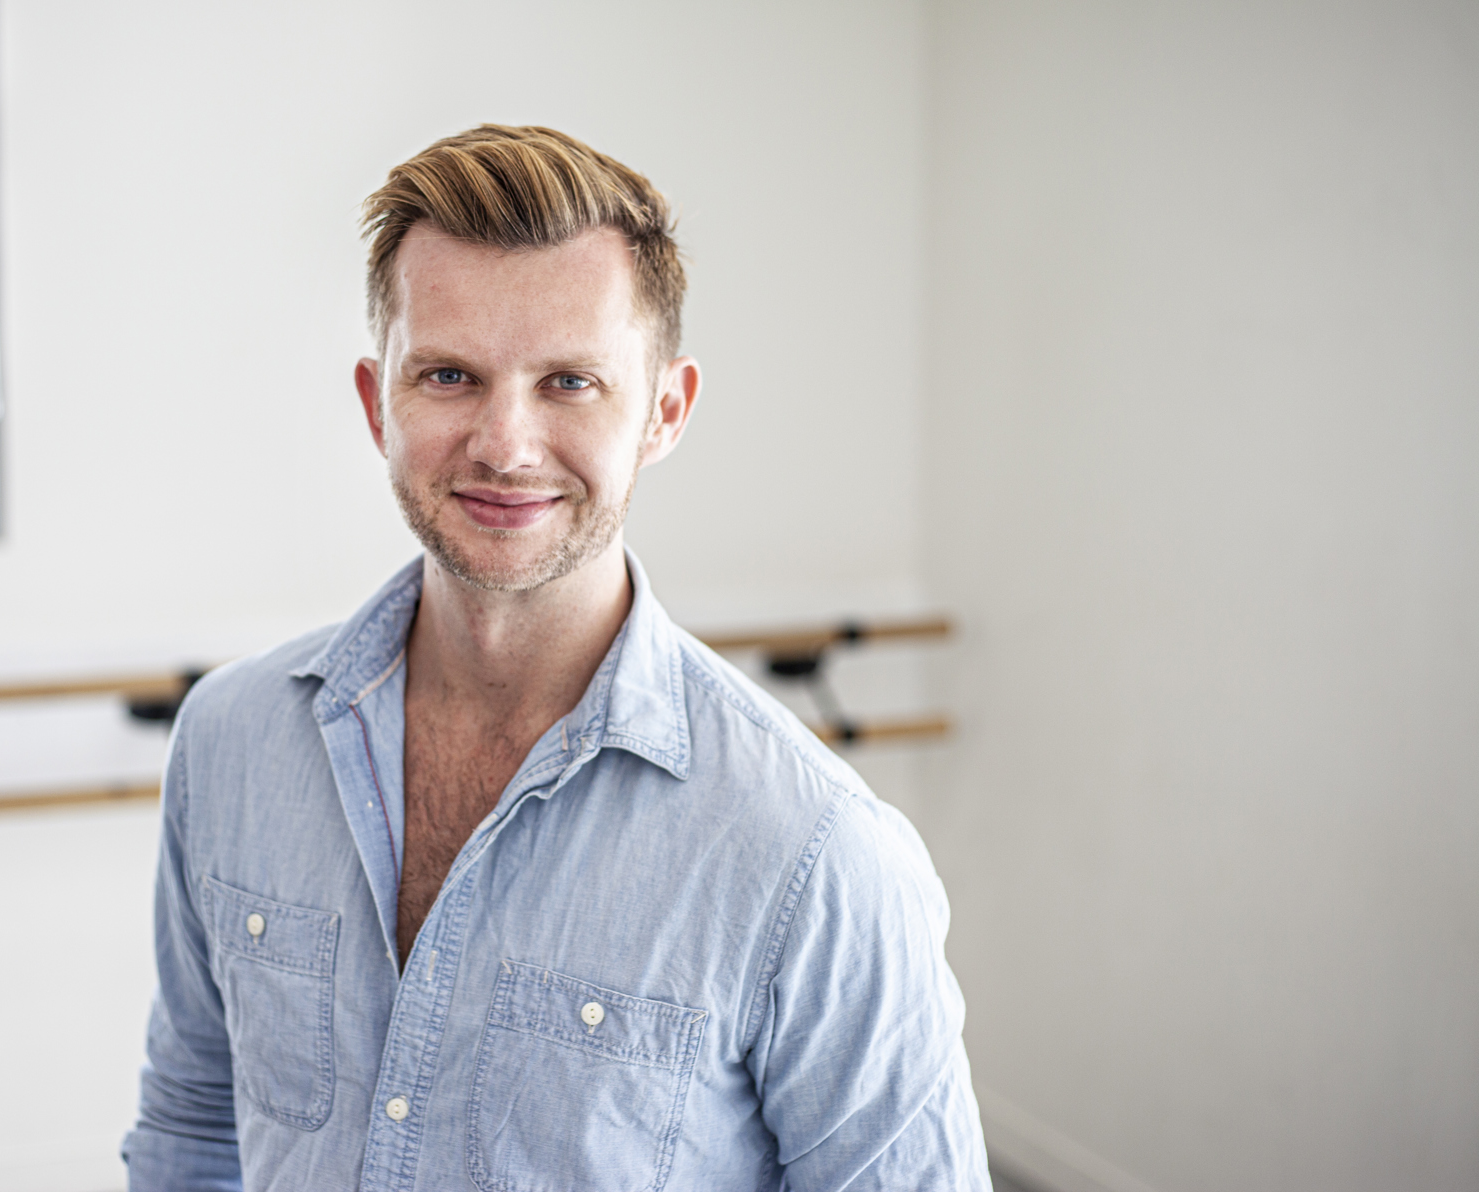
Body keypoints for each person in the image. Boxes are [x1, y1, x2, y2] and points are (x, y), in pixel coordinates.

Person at [121, 124, 989, 1191]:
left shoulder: (816, 852)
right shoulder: (230, 741)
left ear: (664, 409)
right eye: (448, 374)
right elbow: (192, 1127)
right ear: (374, 401)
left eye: (570, 382)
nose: (505, 444)